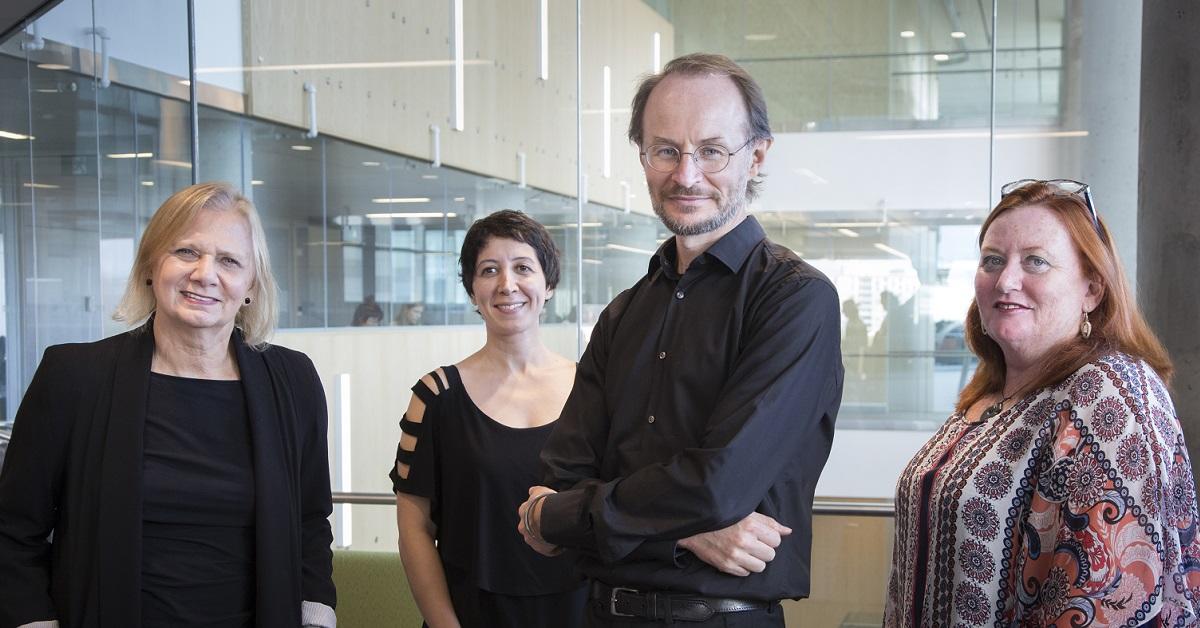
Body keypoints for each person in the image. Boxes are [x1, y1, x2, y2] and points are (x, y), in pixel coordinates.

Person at [518, 53, 843, 626]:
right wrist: (689, 538)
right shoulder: (622, 315)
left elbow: (718, 487)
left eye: (712, 150)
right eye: (665, 150)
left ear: (757, 155)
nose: (686, 175)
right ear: (642, 157)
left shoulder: (795, 300)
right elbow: (560, 479)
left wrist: (569, 517)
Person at [0, 182, 336, 628]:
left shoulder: (292, 380)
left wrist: (315, 619)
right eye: (186, 252)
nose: (205, 274)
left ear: (251, 284)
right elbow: (14, 530)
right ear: (149, 267)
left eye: (229, 261)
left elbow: (310, 523)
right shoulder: (74, 377)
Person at [884, 180, 1200, 626]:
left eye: (1036, 261)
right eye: (992, 260)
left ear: (1092, 288)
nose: (1006, 279)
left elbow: (1110, 601)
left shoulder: (1109, 390)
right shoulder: (989, 394)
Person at [390, 210, 585, 627]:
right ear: (472, 289)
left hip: (580, 612)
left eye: (522, 268)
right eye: (489, 270)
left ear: (548, 285)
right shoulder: (436, 395)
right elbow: (414, 530)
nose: (506, 285)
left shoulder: (592, 390)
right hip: (471, 614)